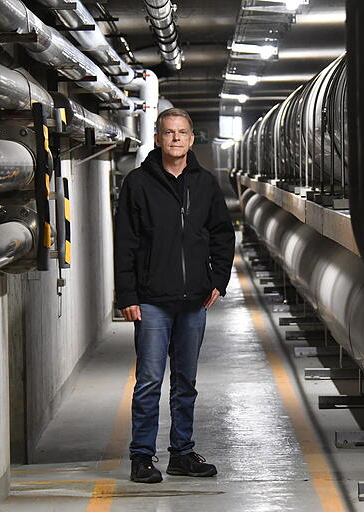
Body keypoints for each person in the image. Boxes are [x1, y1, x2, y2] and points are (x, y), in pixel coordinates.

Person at [114, 108, 235, 484]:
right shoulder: (138, 183)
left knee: (186, 382)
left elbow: (222, 234)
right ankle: (142, 457)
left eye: (182, 133)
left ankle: (182, 453)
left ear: (192, 139)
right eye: (169, 133)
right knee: (149, 380)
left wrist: (217, 279)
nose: (176, 139)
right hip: (151, 301)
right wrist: (127, 295)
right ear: (157, 138)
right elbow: (125, 243)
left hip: (193, 301)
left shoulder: (205, 184)